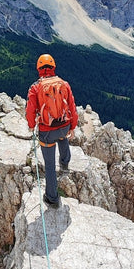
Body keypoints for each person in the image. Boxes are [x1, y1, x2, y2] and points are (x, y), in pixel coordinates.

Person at [26, 54, 78, 208]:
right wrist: (73, 126)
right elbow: (72, 107)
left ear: (39, 69)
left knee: (49, 165)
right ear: (53, 67)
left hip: (47, 131)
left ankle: (52, 198)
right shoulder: (64, 84)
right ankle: (65, 163)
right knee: (62, 138)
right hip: (64, 127)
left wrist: (30, 124)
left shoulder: (35, 87)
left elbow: (30, 109)